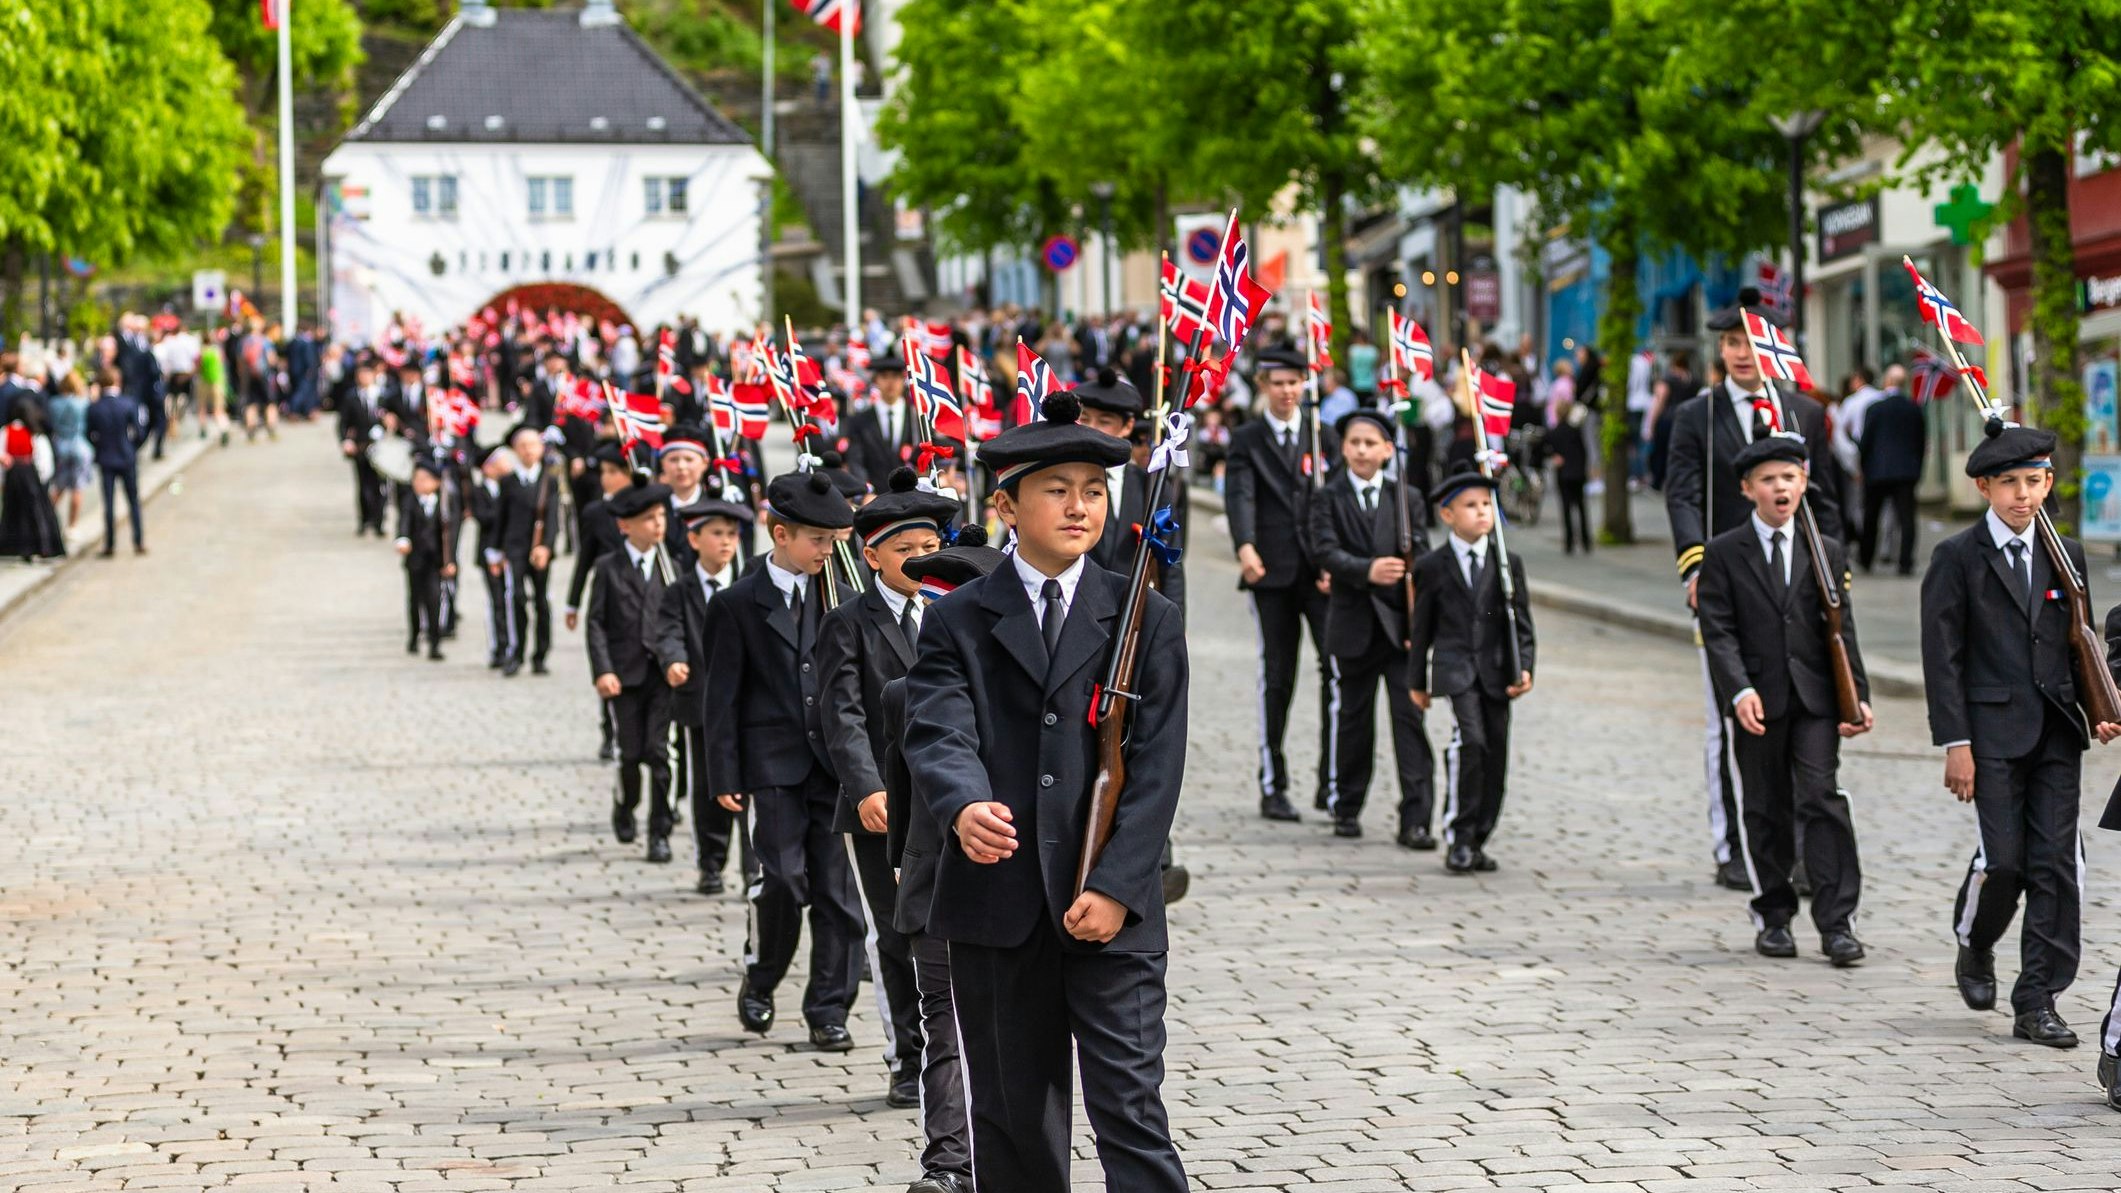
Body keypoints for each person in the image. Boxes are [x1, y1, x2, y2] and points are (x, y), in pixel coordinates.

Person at [903, 392, 1188, 1193]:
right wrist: (962, 805)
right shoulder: (957, 618)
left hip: (1113, 908)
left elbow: (1157, 768)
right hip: (997, 903)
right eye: (1056, 488)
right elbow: (936, 727)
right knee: (1013, 1120)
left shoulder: (1146, 618)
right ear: (1005, 504)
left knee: (1130, 1112)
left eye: (1093, 490)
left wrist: (1112, 885)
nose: (1078, 505)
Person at [1920, 423, 2119, 1048]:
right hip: (1991, 734)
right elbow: (1942, 657)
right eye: (2008, 483)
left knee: (2057, 867)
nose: (2022, 495)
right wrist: (1956, 743)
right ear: (1983, 487)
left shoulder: (2068, 555)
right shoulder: (1957, 558)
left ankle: (2038, 999)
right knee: (2004, 863)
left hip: (2058, 731)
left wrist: (2101, 704)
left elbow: (2077, 644)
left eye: (2034, 482)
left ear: (2049, 483)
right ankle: (1975, 940)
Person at [1664, 291, 1844, 890]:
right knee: (1730, 719)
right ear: (1721, 349)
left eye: (1753, 341)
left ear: (1778, 345)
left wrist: (1834, 579)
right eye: (1733, 342)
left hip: (1796, 585)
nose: (1743, 354)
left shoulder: (1805, 415)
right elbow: (1683, 494)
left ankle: (1798, 851)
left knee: (1802, 718)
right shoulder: (1697, 414)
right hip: (1728, 583)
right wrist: (1695, 566)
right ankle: (1732, 847)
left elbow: (1827, 504)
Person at [1695, 435, 1872, 964]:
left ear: (1804, 484)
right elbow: (1718, 630)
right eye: (1769, 479)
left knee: (1821, 797)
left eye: (1790, 478)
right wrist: (1739, 689)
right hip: (1758, 700)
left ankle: (1837, 921)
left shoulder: (1825, 548)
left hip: (1815, 698)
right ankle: (1773, 914)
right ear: (1749, 488)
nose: (1781, 487)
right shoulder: (1724, 553)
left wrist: (1856, 696)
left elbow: (1842, 629)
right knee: (1766, 806)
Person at [704, 470, 865, 1050]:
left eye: (835, 540)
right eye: (818, 540)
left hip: (835, 767)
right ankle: (763, 974)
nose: (829, 550)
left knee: (837, 894)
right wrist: (722, 773)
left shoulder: (845, 600)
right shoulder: (737, 603)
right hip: (770, 767)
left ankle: (829, 1008)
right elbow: (720, 696)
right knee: (781, 881)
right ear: (780, 534)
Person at [815, 468, 958, 1111]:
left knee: (953, 932)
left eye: (930, 549)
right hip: (884, 807)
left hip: (957, 800)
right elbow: (840, 714)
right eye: (906, 551)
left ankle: (959, 1053)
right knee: (900, 933)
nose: (921, 562)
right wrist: (868, 789)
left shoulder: (958, 610)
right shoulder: (849, 620)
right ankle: (909, 1057)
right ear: (872, 554)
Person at [884, 529, 1005, 1193]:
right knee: (947, 1029)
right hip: (934, 886)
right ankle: (948, 1164)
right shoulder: (902, 695)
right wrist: (903, 867)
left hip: (1015, 884)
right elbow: (903, 801)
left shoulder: (1024, 694)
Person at [1308, 408, 1435, 845]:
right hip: (1352, 625)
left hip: (1400, 628)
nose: (1362, 450)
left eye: (1370, 443)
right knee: (1353, 719)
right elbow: (1323, 549)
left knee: (1409, 721)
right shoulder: (1328, 496)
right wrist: (1366, 570)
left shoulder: (1407, 498)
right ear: (1343, 448)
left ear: (1386, 450)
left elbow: (1421, 551)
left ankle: (1416, 817)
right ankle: (1346, 805)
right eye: (1354, 443)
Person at [1409, 470, 1537, 873]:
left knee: (1496, 751)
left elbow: (1521, 624)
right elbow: (1422, 627)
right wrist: (1417, 681)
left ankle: (1480, 835)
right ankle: (1459, 836)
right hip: (1455, 669)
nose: (1482, 512)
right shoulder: (1432, 565)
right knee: (1472, 742)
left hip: (1496, 671)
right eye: (1471, 505)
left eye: (1487, 504)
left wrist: (1525, 667)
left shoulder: (1506, 561)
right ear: (1447, 515)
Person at [1225, 349, 1332, 821]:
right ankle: (1274, 784)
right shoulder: (1248, 438)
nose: (1288, 391)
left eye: (1295, 382)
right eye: (1279, 382)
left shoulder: (1322, 435)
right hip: (1270, 570)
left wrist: (1336, 557)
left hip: (1322, 572)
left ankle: (1333, 783)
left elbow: (1334, 499)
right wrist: (1245, 546)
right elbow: (1241, 494)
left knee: (1336, 672)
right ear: (1264, 385)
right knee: (1278, 675)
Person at [655, 498, 748, 896]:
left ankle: (754, 868)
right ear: (693, 539)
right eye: (716, 534)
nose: (725, 543)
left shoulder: (748, 585)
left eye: (731, 534)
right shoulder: (680, 590)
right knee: (709, 784)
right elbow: (668, 631)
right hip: (703, 704)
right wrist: (674, 660)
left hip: (747, 704)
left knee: (750, 788)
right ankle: (711, 862)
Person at [587, 478, 678, 863]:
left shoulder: (671, 565)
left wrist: (679, 658)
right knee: (630, 754)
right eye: (647, 519)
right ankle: (625, 804)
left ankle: (660, 830)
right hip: (624, 676)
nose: (657, 525)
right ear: (625, 526)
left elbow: (680, 618)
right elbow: (596, 624)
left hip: (663, 676)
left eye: (660, 517)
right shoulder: (609, 567)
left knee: (659, 753)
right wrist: (603, 670)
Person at [566, 440, 634, 761]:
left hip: (641, 594)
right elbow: (584, 559)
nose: (606, 478)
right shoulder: (595, 512)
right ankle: (609, 729)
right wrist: (572, 602)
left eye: (613, 472)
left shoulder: (643, 508)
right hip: (606, 596)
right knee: (607, 663)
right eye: (604, 472)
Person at [494, 425, 563, 676]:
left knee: (542, 601)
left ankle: (541, 654)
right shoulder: (509, 481)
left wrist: (547, 547)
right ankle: (517, 652)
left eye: (532, 445)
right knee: (517, 598)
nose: (528, 451)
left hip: (539, 549)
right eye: (522, 446)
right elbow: (501, 516)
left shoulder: (550, 480)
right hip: (514, 546)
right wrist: (496, 549)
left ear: (541, 448)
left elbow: (554, 519)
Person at [1857, 382, 1926, 575]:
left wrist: (1864, 467)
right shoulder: (1914, 408)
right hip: (1905, 472)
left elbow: (1866, 441)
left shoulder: (1875, 408)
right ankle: (1905, 562)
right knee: (1907, 519)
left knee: (1871, 517)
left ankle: (1866, 558)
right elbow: (1921, 441)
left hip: (1877, 471)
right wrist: (1917, 469)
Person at [394, 458, 454, 661]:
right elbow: (403, 521)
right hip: (416, 559)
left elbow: (451, 535)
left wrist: (450, 560)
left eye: (425, 479)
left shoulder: (445, 503)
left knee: (435, 599)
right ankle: (414, 634)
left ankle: (435, 641)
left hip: (436, 560)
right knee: (415, 598)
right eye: (416, 479)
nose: (420, 483)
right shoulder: (410, 500)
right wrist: (403, 539)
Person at [84, 367, 146, 558]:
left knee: (109, 503)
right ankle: (138, 540)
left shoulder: (94, 407)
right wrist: (133, 447)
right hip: (126, 456)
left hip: (106, 457)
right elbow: (140, 431)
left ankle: (110, 544)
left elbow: (88, 434)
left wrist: (98, 447)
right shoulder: (128, 403)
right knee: (133, 500)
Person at [470, 445, 515, 670]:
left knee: (511, 600)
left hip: (511, 551)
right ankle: (498, 646)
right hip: (488, 551)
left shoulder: (511, 487)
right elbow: (484, 517)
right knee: (495, 601)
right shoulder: (479, 491)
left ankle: (513, 646)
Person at [840, 356, 918, 486]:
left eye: (895, 376)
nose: (890, 382)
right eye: (885, 376)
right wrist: (866, 491)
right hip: (875, 497)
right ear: (876, 380)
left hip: (911, 495)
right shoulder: (860, 421)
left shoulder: (916, 418)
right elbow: (856, 461)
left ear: (903, 379)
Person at [0, 405, 63, 562]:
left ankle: (16, 547)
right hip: (30, 475)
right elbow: (44, 460)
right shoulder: (34, 433)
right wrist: (43, 480)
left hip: (12, 475)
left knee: (14, 512)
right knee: (36, 513)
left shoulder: (6, 431)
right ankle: (40, 546)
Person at [339, 359, 390, 537]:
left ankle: (379, 521)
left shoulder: (384, 396)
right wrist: (346, 440)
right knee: (363, 485)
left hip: (381, 447)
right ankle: (364, 520)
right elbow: (343, 422)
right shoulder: (351, 397)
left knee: (381, 486)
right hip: (361, 446)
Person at [46, 374, 91, 531]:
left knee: (58, 487)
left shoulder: (53, 403)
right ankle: (72, 525)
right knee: (77, 488)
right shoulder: (83, 403)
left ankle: (46, 521)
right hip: (79, 445)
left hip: (60, 446)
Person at [1547, 398, 1592, 555]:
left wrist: (1554, 457)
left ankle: (1569, 541)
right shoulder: (1575, 431)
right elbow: (1583, 452)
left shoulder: (1554, 432)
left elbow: (1545, 449)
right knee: (1581, 507)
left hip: (1563, 474)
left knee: (1566, 509)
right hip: (1577, 473)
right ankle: (1586, 540)